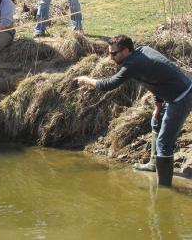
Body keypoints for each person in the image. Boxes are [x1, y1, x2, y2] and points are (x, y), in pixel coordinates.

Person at [75, 35, 192, 186]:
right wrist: (157, 107)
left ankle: (165, 187)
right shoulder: (142, 51)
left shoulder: (132, 64)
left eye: (113, 53)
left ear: (125, 51)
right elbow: (157, 79)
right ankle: (152, 164)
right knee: (155, 122)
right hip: (173, 93)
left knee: (164, 143)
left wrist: (85, 80)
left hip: (181, 98)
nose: (111, 58)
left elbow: (108, 85)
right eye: (109, 53)